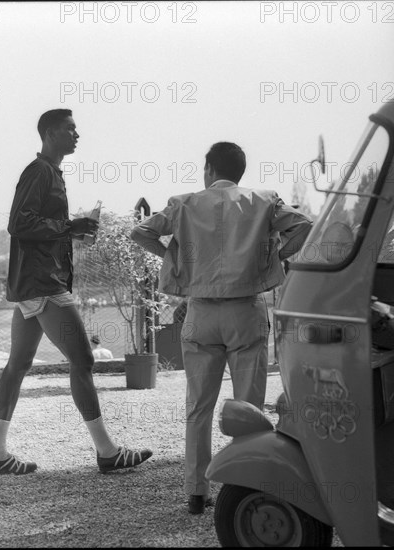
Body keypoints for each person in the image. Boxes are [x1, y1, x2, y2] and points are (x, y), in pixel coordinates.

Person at [131, 141, 312, 514]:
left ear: (209, 169)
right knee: (249, 406)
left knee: (198, 407)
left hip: (200, 313)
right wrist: (273, 258)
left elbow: (141, 232)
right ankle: (246, 488)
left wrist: (174, 257)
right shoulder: (263, 200)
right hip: (245, 311)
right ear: (240, 171)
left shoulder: (183, 203)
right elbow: (304, 226)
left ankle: (197, 492)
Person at [0, 108, 152, 476]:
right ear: (50, 133)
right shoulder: (40, 171)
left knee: (19, 365)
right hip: (44, 282)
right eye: (70, 129)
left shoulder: (48, 172)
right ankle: (107, 451)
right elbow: (19, 223)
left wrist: (74, 230)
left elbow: (39, 226)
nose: (78, 135)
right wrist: (70, 224)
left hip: (33, 282)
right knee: (84, 361)